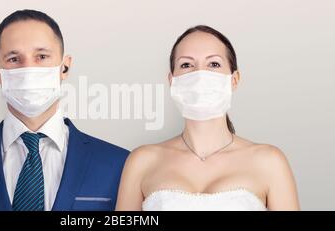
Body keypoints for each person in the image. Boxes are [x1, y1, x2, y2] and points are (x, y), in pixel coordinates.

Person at [0, 9, 129, 211]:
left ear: (65, 67)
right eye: (14, 59)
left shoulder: (118, 164)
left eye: (42, 56)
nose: (29, 69)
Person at [115, 25, 299, 211]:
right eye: (186, 65)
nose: (200, 74)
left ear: (234, 80)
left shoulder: (269, 161)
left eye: (213, 64)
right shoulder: (142, 161)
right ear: (172, 81)